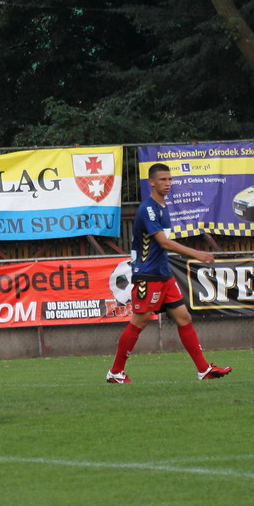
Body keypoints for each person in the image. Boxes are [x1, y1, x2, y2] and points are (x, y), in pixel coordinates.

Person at [106, 163, 231, 383]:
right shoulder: (148, 209)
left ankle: (204, 369)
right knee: (139, 322)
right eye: (163, 179)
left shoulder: (162, 207)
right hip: (148, 275)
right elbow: (163, 242)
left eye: (170, 179)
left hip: (163, 274)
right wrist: (196, 253)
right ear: (151, 182)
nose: (168, 183)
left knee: (184, 318)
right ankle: (116, 372)